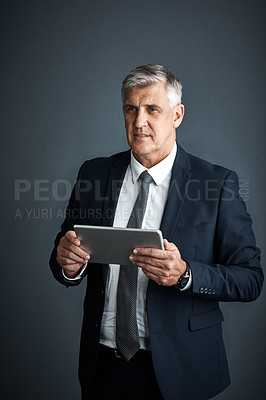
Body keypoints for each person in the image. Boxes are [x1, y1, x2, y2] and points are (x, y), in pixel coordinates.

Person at [49, 64, 263, 400]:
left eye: (152, 110)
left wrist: (185, 274)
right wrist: (68, 265)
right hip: (101, 367)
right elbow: (63, 257)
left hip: (180, 370)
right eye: (131, 109)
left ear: (177, 115)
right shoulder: (94, 173)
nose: (139, 122)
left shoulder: (216, 184)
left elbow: (250, 279)